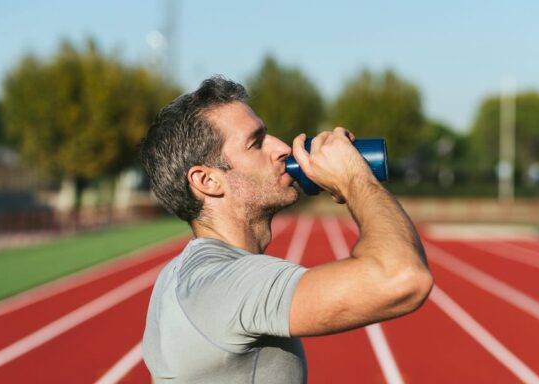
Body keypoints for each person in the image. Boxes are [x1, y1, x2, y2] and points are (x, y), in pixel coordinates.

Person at [139, 76, 433, 383]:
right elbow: (402, 277)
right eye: (256, 142)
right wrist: (355, 179)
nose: (281, 147)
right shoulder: (222, 285)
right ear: (207, 181)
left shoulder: (183, 275)